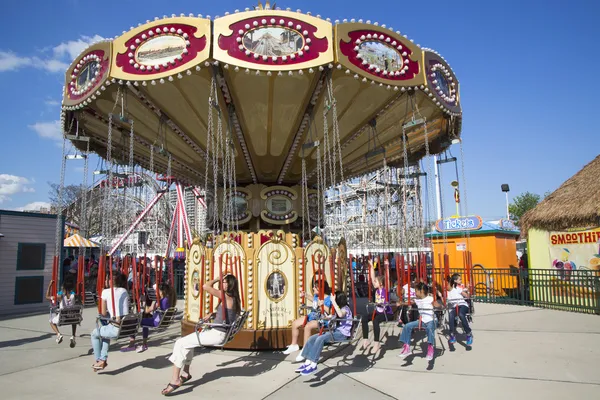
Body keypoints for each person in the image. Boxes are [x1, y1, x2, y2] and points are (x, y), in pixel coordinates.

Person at [161, 274, 241, 395]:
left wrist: (217, 279)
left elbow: (205, 286)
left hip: (217, 333)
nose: (223, 284)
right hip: (218, 331)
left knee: (180, 343)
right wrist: (213, 314)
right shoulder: (234, 299)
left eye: (225, 282)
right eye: (222, 282)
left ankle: (175, 379)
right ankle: (186, 372)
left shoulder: (225, 296)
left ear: (231, 284)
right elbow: (228, 315)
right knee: (187, 342)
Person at [295, 291, 353, 376]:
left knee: (320, 338)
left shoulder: (345, 309)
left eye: (335, 300)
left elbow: (340, 314)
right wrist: (324, 317)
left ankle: (314, 364)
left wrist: (333, 301)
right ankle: (308, 362)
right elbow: (332, 316)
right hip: (335, 331)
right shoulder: (338, 308)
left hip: (342, 334)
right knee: (312, 338)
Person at [282, 278, 332, 361]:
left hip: (322, 319)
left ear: (320, 288)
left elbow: (329, 311)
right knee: (295, 323)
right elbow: (314, 300)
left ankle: (305, 350)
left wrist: (321, 305)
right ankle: (294, 345)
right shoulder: (317, 296)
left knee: (308, 327)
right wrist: (306, 295)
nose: (313, 288)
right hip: (312, 316)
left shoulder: (328, 299)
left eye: (315, 287)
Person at [120, 283, 177, 353]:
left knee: (136, 321)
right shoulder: (169, 300)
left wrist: (145, 301)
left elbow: (147, 311)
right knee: (144, 324)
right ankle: (144, 344)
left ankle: (132, 344)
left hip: (156, 322)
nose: (155, 293)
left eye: (156, 291)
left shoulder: (160, 302)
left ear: (161, 292)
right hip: (162, 321)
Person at [90, 272, 130, 371]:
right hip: (127, 328)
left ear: (111, 281)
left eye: (107, 279)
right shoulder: (124, 291)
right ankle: (102, 359)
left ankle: (98, 360)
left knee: (94, 334)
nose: (105, 281)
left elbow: (103, 313)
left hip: (117, 328)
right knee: (105, 331)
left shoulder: (106, 292)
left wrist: (103, 297)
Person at [397, 282, 441, 361]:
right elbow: (409, 303)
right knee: (407, 326)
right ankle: (407, 347)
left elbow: (439, 305)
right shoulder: (417, 300)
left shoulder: (430, 298)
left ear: (422, 291)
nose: (415, 293)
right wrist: (401, 303)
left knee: (429, 329)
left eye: (416, 291)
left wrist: (437, 305)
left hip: (431, 320)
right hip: (423, 321)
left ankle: (430, 349)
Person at [360, 259, 393, 353]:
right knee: (364, 318)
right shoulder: (376, 290)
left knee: (375, 321)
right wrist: (371, 265)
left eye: (376, 282)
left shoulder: (385, 290)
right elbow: (372, 277)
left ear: (381, 283)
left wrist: (386, 267)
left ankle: (376, 342)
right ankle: (366, 339)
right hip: (378, 311)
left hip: (387, 312)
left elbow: (387, 278)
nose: (374, 282)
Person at [46, 277, 78, 347]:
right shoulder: (74, 295)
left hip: (63, 318)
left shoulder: (60, 296)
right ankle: (73, 335)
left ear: (64, 288)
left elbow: (47, 296)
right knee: (74, 321)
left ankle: (58, 334)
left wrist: (50, 285)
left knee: (51, 321)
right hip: (72, 317)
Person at [447, 273, 473, 346]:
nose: (447, 286)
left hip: (462, 305)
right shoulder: (447, 293)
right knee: (451, 315)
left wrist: (468, 292)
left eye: (448, 284)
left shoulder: (457, 288)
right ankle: (452, 334)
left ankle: (468, 333)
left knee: (461, 314)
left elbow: (466, 295)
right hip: (455, 307)